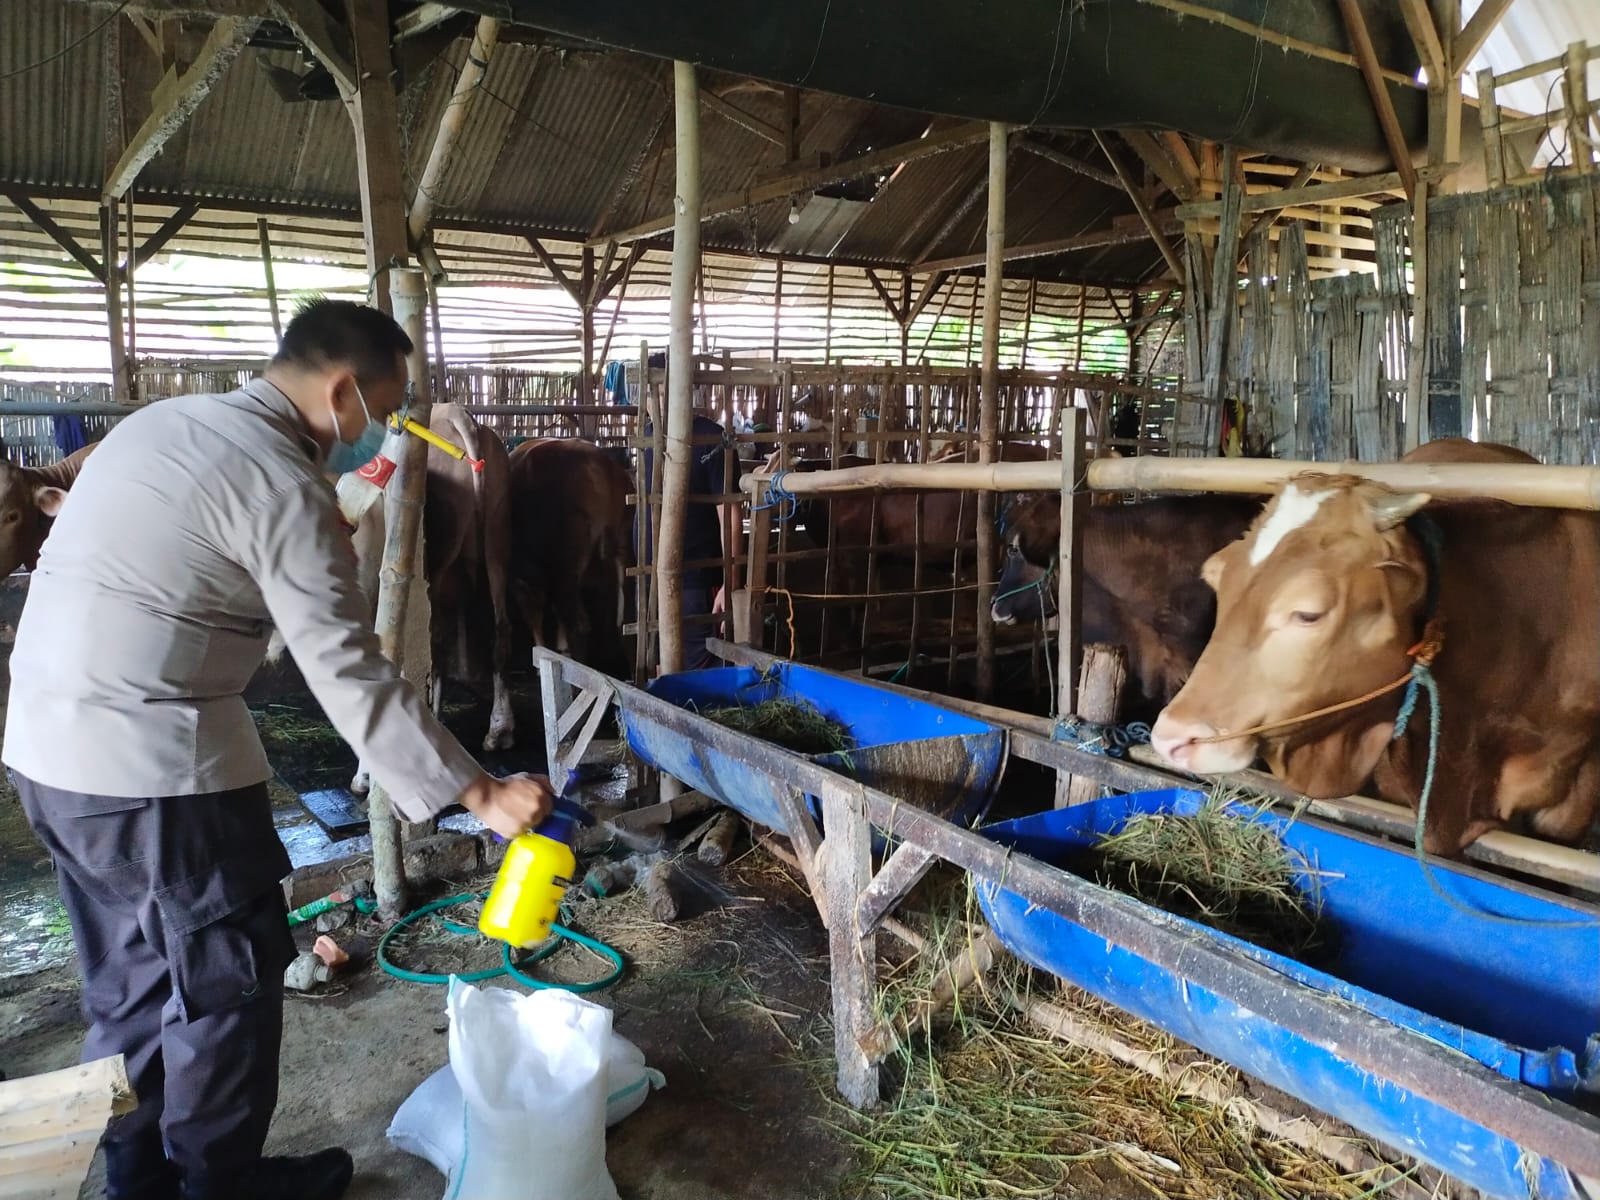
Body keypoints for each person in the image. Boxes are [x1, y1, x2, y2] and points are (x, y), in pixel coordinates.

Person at [3, 300, 554, 1200]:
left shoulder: (160, 426)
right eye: (383, 407)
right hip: (156, 774)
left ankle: (133, 1182)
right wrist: (480, 793)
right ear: (341, 392)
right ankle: (219, 1187)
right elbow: (347, 669)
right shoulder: (278, 481)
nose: (380, 429)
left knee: (129, 990)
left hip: (46, 755)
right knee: (225, 992)